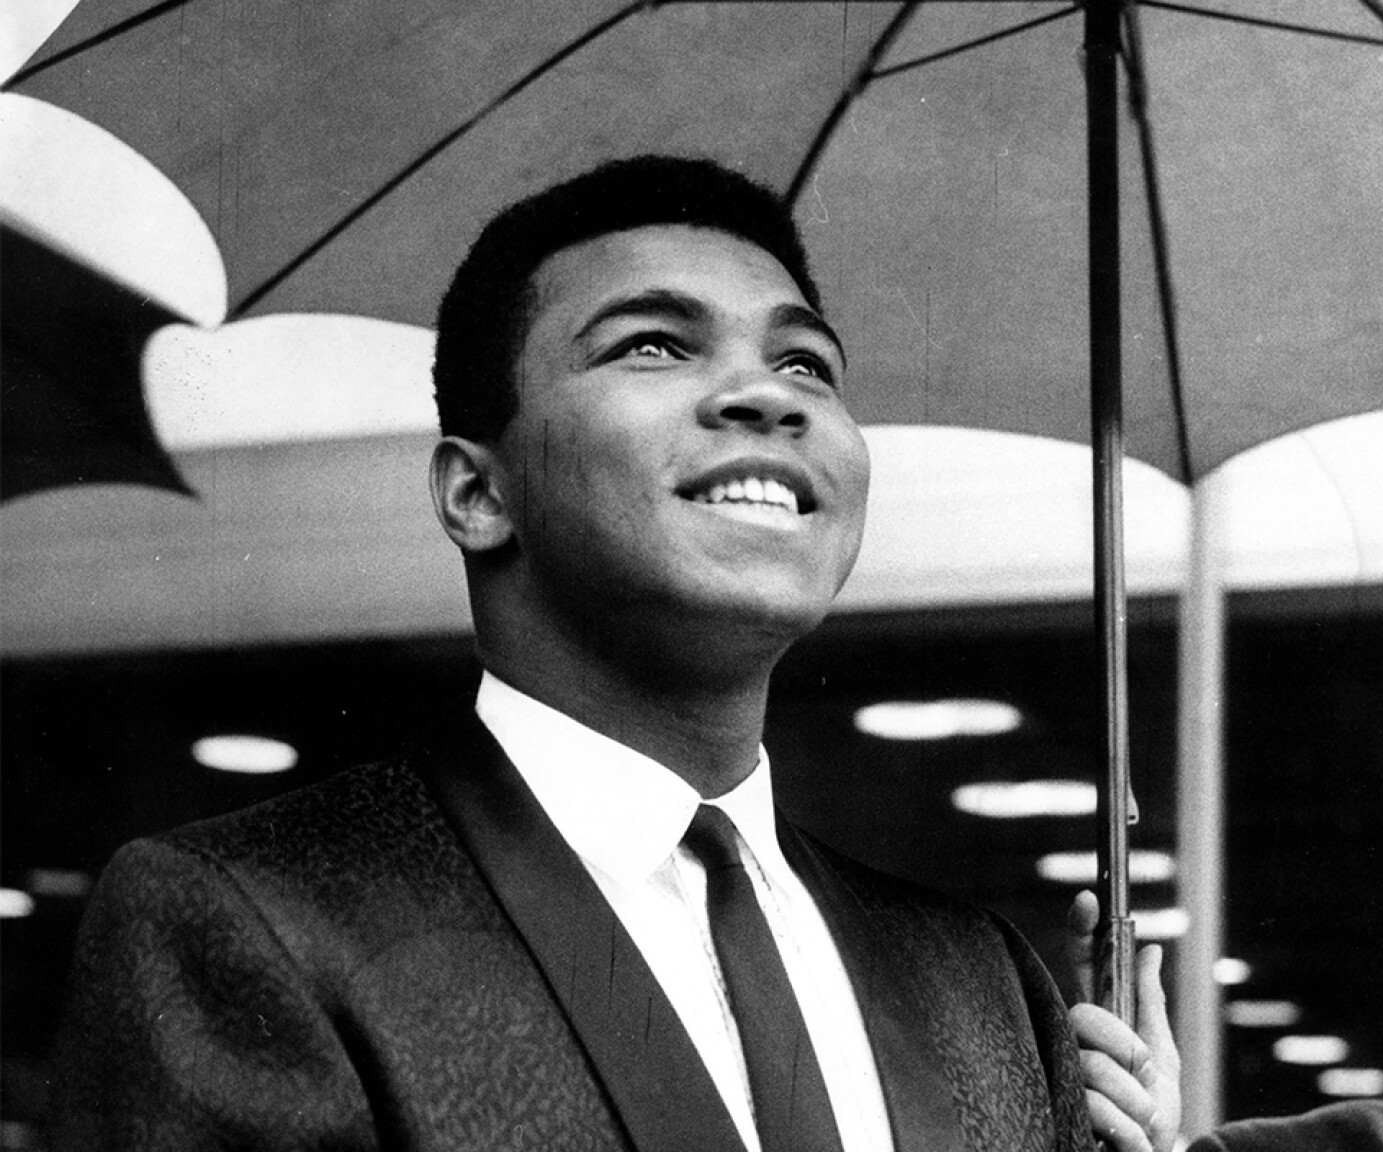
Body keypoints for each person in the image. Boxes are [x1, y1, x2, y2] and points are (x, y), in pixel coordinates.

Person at [50, 155, 1177, 1150]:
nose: (762, 396)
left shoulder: (982, 983)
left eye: (805, 366)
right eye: (653, 345)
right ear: (478, 491)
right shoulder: (252, 922)